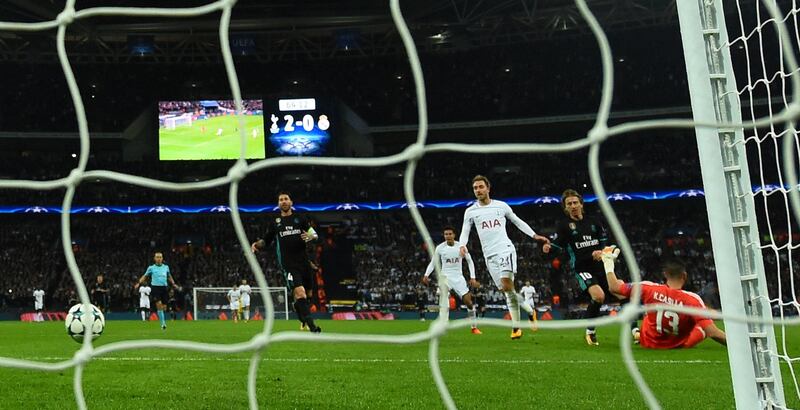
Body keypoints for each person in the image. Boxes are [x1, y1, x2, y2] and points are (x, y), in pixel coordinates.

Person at [458, 175, 549, 339]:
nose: (478, 190)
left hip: (505, 250)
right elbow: (465, 231)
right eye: (475, 188)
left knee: (507, 287)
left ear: (488, 188)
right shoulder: (470, 211)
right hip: (489, 256)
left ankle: (516, 328)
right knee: (507, 291)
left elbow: (517, 221)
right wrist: (462, 245)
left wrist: (534, 236)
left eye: (481, 187)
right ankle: (529, 310)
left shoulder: (501, 206)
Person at [542, 189, 637, 346]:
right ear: (565, 208)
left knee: (623, 294)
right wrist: (548, 248)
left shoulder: (594, 221)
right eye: (569, 204)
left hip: (603, 267)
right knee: (598, 296)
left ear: (581, 203)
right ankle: (590, 332)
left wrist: (602, 251)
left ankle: (635, 331)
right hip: (582, 268)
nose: (573, 206)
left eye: (575, 202)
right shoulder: (564, 226)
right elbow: (557, 246)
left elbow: (604, 241)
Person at [601, 247, 727, 349]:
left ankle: (637, 332)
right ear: (685, 275)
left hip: (649, 344)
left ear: (665, 274)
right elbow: (713, 332)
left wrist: (608, 262)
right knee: (702, 325)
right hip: (677, 345)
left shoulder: (648, 288)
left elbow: (614, 287)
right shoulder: (693, 299)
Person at [252, 191, 321, 333]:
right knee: (300, 293)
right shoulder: (275, 223)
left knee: (307, 296)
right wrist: (256, 245)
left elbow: (314, 234)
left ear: (291, 202)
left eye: (286, 199)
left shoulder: (300, 219)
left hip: (304, 263)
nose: (283, 201)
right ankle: (313, 327)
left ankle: (300, 313)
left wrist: (311, 236)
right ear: (278, 204)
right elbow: (266, 240)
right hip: (289, 265)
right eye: (281, 200)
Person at [422, 226, 481, 334]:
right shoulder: (440, 248)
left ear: (454, 235)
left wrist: (473, 277)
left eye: (450, 234)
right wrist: (426, 275)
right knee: (444, 295)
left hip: (458, 277)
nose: (448, 236)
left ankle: (474, 327)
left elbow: (470, 261)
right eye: (446, 234)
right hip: (445, 277)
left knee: (468, 302)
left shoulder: (461, 247)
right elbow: (434, 262)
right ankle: (444, 324)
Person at [135, 252, 179, 330]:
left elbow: (169, 276)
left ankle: (161, 316)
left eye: (160, 257)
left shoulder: (166, 267)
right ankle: (163, 324)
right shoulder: (151, 268)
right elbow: (144, 276)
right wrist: (138, 283)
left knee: (164, 307)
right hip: (155, 288)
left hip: (164, 288)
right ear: (154, 259)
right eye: (157, 257)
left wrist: (173, 283)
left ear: (162, 258)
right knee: (159, 305)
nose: (159, 259)